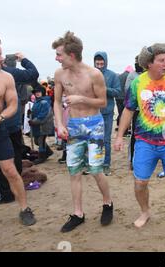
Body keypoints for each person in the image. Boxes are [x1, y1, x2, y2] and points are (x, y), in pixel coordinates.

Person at [114, 43, 165, 228]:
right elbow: (128, 110)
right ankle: (145, 212)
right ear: (149, 63)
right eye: (161, 60)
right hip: (144, 141)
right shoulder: (138, 82)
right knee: (140, 182)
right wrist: (120, 136)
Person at [52, 31, 113, 233]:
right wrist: (60, 124)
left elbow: (103, 102)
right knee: (74, 171)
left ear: (71, 55)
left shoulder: (94, 74)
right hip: (74, 126)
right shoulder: (60, 74)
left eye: (59, 54)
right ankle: (78, 213)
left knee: (96, 170)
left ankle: (107, 203)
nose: (56, 58)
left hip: (94, 124)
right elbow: (56, 101)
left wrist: (81, 99)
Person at [0, 34, 36, 225]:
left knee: (10, 170)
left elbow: (12, 105)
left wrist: (0, 116)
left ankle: (25, 209)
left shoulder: (6, 77)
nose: (2, 58)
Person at [94, 51, 121, 176]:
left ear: (105, 61)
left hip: (107, 112)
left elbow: (117, 91)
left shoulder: (112, 75)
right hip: (92, 112)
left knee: (106, 140)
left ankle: (106, 164)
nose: (99, 64)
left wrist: (104, 89)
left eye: (101, 61)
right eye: (97, 62)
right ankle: (95, 164)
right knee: (93, 140)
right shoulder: (90, 74)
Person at [29, 85, 55, 165]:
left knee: (41, 141)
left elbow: (43, 115)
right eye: (36, 92)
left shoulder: (44, 102)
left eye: (39, 92)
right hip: (38, 125)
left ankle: (42, 156)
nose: (37, 93)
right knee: (37, 141)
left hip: (43, 125)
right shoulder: (37, 102)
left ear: (42, 92)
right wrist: (30, 113)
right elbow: (35, 113)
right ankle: (49, 152)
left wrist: (34, 121)